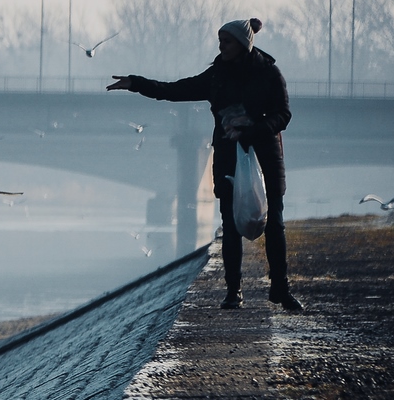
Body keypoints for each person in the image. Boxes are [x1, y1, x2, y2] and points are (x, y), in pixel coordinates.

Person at [108, 18, 303, 312]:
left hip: (265, 156)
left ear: (243, 44)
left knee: (274, 224)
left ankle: (280, 289)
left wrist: (252, 130)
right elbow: (175, 90)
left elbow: (283, 115)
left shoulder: (269, 73)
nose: (221, 46)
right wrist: (136, 84)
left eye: (227, 42)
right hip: (228, 155)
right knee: (230, 224)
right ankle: (233, 291)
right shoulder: (217, 76)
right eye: (220, 41)